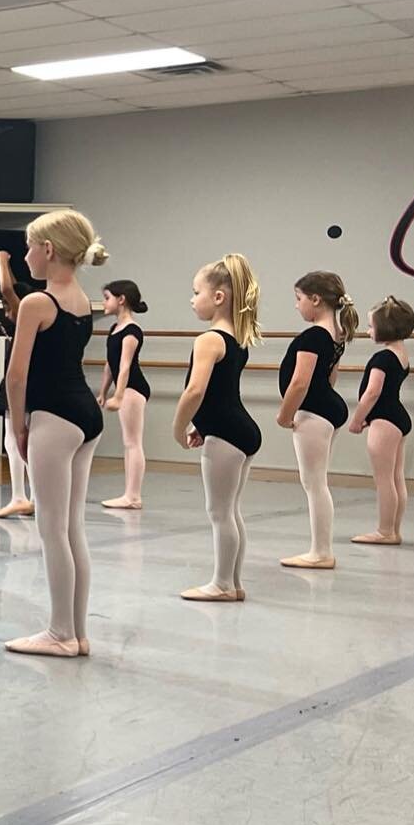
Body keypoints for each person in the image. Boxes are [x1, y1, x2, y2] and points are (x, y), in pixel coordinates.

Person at [3, 210, 108, 658]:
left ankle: (60, 632)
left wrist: (17, 425)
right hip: (86, 414)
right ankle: (77, 633)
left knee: (50, 528)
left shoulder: (37, 304)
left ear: (48, 250)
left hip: (55, 417)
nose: (26, 255)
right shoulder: (83, 300)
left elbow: (15, 376)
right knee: (71, 528)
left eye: (30, 247)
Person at [173, 255, 263, 602]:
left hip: (227, 434)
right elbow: (218, 393)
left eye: (197, 292)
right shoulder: (237, 337)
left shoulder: (209, 339)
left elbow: (195, 391)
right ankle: (233, 583)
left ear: (219, 297)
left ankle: (222, 584)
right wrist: (203, 424)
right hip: (237, 429)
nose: (193, 299)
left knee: (219, 512)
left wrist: (179, 428)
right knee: (231, 511)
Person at [276, 271, 357, 570]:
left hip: (314, 411)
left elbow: (300, 382)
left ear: (315, 299)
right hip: (327, 407)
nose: (297, 306)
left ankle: (321, 551)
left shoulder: (314, 336)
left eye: (298, 299)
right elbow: (330, 374)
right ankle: (320, 550)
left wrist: (285, 415)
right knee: (316, 480)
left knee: (314, 483)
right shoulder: (336, 333)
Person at [349, 296, 414, 547]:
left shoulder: (383, 358)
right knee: (396, 477)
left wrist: (357, 419)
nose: (367, 331)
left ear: (385, 329)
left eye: (370, 326)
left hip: (384, 420)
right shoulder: (401, 353)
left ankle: (384, 530)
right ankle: (393, 529)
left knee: (384, 479)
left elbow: (372, 392)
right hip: (398, 417)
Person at [98, 279, 151, 510]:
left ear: (121, 300)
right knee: (128, 443)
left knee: (132, 442)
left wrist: (119, 396)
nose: (103, 302)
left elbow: (125, 365)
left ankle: (133, 496)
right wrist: (103, 392)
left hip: (133, 387)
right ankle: (130, 494)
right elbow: (110, 365)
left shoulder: (132, 330)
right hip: (124, 386)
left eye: (107, 297)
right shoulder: (114, 329)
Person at [0, 251, 33, 519]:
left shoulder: (24, 317)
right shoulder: (30, 319)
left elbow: (8, 289)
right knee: (24, 440)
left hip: (21, 384)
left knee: (15, 439)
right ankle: (29, 496)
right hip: (31, 381)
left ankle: (20, 495)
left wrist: (2, 261)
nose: (7, 312)